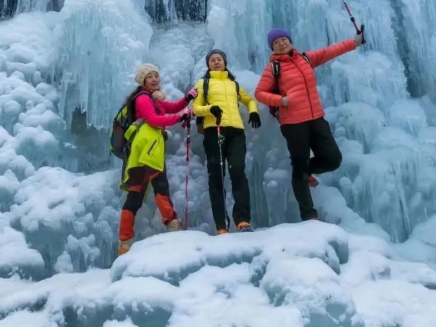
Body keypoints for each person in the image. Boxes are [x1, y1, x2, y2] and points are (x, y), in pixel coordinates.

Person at [255, 28, 363, 222]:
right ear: (272, 47)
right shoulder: (273, 68)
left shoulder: (305, 59)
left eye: (284, 39)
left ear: (290, 41)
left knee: (333, 159)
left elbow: (330, 51)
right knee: (298, 166)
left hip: (316, 118)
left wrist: (354, 43)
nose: (281, 43)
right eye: (276, 42)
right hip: (293, 123)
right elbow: (260, 93)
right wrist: (282, 101)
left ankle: (307, 170)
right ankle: (309, 215)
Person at [118, 64, 197, 256]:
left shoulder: (153, 99)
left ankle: (124, 243)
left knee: (135, 195)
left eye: (156, 76)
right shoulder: (144, 99)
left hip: (141, 152)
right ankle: (172, 223)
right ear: (142, 81)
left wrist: (187, 100)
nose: (154, 79)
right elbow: (153, 120)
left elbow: (171, 107)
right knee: (161, 185)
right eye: (149, 76)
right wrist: (180, 117)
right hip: (148, 148)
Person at [191, 49, 261, 234]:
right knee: (216, 177)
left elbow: (249, 100)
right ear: (208, 64)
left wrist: (253, 110)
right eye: (212, 60)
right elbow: (195, 108)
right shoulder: (203, 83)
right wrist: (210, 109)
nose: (216, 62)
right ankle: (221, 225)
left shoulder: (234, 85)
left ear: (225, 62)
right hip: (214, 131)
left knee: (238, 172)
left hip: (236, 131)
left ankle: (243, 220)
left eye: (219, 59)